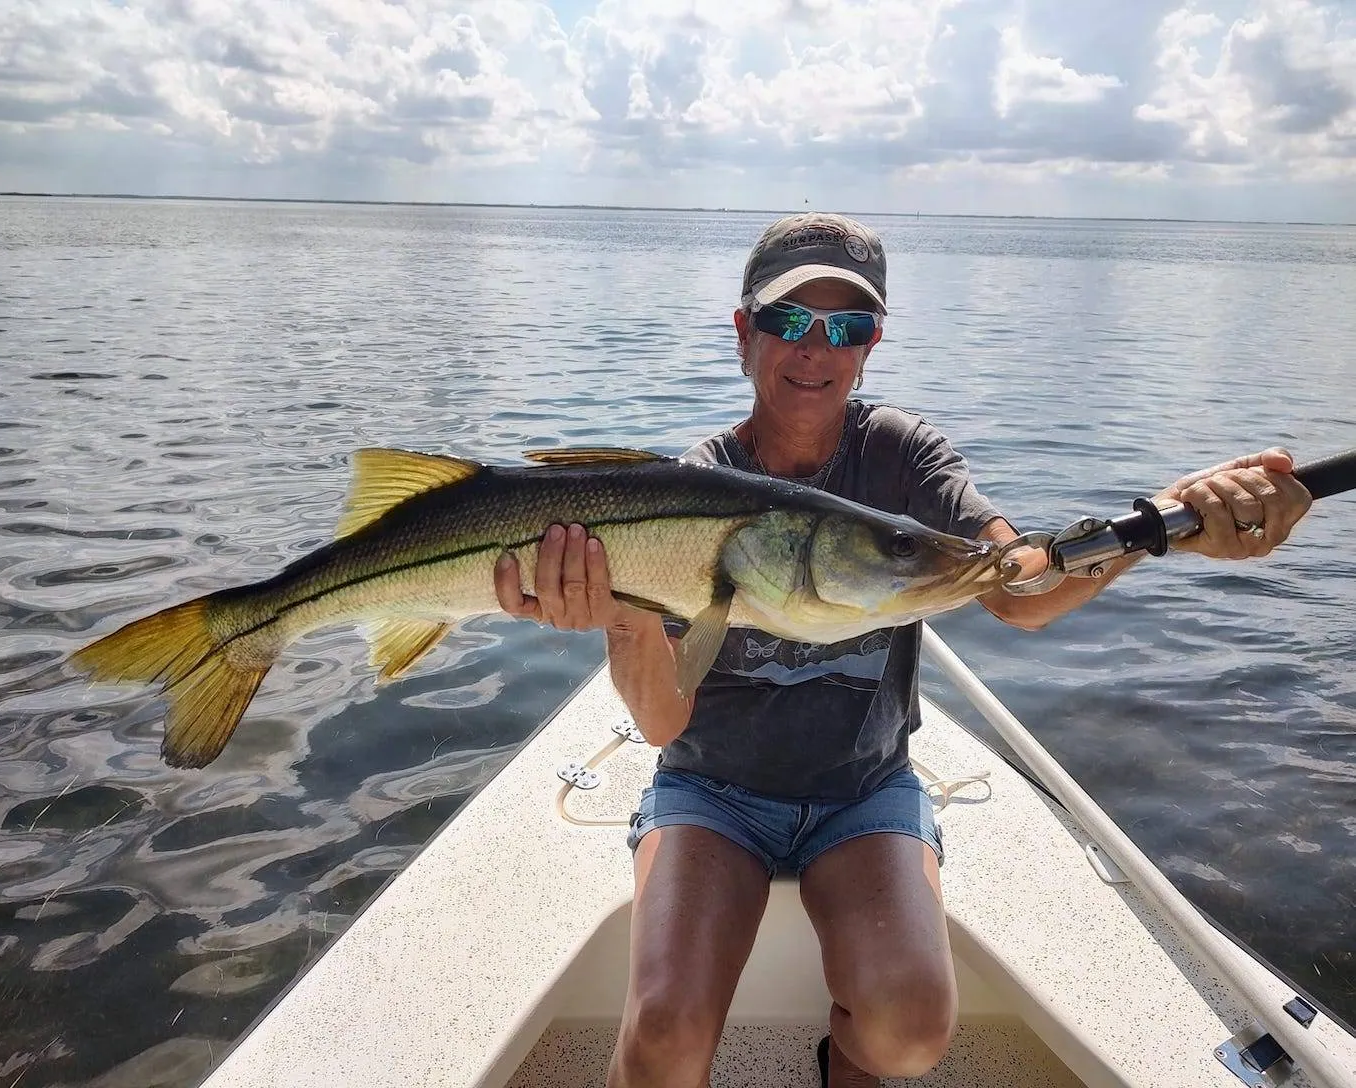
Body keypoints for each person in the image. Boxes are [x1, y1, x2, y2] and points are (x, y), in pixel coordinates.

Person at [493, 212, 1313, 1088]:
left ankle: (842, 1064)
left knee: (913, 1029)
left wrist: (1164, 526)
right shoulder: (691, 488)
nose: (816, 349)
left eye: (845, 327)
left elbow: (1016, 584)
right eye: (789, 321)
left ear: (871, 344)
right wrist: (620, 617)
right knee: (660, 1039)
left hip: (864, 792)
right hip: (711, 793)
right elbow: (661, 724)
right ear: (744, 332)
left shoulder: (902, 455)